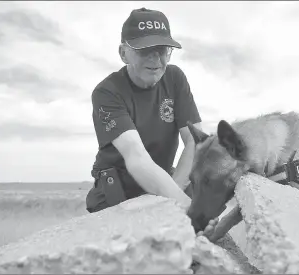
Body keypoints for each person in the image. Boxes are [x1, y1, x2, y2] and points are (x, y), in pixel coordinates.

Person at [85, 7, 220, 240]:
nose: (155, 59)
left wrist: (174, 196)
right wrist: (182, 205)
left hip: (167, 182)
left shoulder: (175, 79)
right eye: (144, 50)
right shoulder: (107, 93)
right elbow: (136, 158)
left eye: (162, 50)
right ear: (123, 53)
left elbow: (195, 141)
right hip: (119, 189)